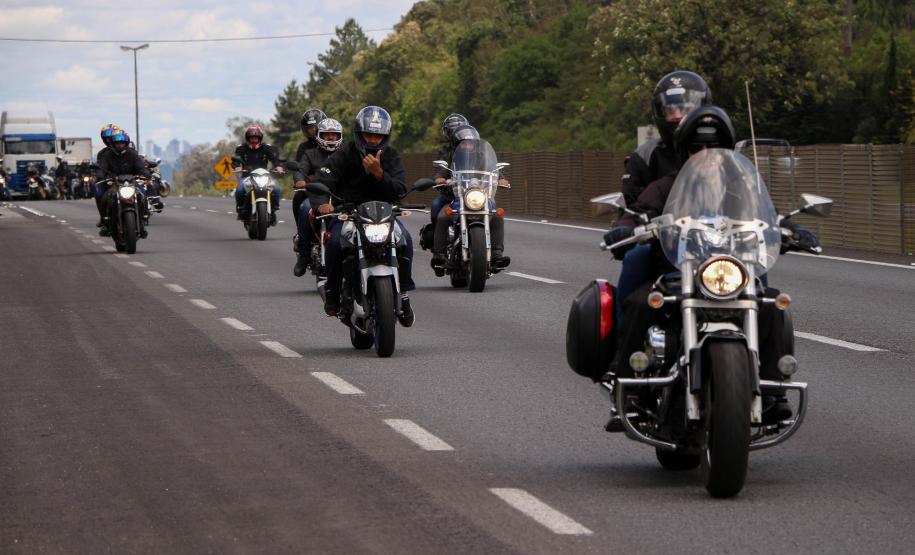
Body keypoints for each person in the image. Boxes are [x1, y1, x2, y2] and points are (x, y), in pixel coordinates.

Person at [605, 106, 817, 425]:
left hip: (730, 274)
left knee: (772, 304)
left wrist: (789, 230)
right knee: (641, 302)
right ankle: (631, 393)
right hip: (679, 274)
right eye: (696, 147)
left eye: (713, 147)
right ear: (684, 151)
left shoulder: (742, 187)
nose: (705, 154)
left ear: (726, 151)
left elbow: (767, 217)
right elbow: (639, 211)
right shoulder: (665, 187)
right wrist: (626, 225)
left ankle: (773, 394)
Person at [311, 105, 415, 326]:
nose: (373, 140)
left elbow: (398, 189)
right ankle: (331, 292)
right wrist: (322, 204)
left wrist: (379, 174)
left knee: (405, 240)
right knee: (334, 244)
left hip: (384, 214)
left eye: (378, 136)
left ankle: (404, 294)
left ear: (385, 136)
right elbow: (321, 181)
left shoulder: (391, 156)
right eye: (369, 134)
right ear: (359, 134)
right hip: (350, 213)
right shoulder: (344, 155)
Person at [429, 124, 510, 274]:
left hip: (479, 195)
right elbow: (440, 170)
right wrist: (440, 178)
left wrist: (502, 179)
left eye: (471, 142)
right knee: (442, 215)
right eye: (464, 142)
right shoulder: (449, 155)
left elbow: (493, 169)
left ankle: (497, 254)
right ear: (457, 144)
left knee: (497, 214)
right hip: (457, 195)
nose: (468, 145)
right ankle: (439, 255)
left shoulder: (481, 155)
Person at [293, 117, 343, 277]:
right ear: (319, 135)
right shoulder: (310, 154)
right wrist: (300, 180)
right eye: (327, 134)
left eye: (334, 135)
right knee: (304, 207)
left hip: (338, 195)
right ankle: (304, 254)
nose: (330, 137)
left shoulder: (345, 154)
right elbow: (300, 169)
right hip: (315, 194)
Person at [96, 131, 151, 236]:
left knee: (143, 194)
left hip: (131, 182)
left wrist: (146, 174)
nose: (120, 145)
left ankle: (143, 220)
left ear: (126, 143)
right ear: (113, 143)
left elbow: (141, 167)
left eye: (122, 143)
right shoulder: (107, 155)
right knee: (103, 197)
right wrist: (101, 176)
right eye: (117, 143)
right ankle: (105, 222)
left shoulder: (132, 154)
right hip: (114, 183)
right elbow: (101, 168)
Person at [233, 125, 284, 222]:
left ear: (260, 138)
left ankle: (274, 209)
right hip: (247, 176)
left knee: (276, 189)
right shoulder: (241, 148)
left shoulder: (266, 148)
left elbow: (274, 159)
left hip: (264, 176)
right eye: (251, 138)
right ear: (248, 138)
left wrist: (278, 166)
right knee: (239, 190)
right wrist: (237, 166)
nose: (254, 140)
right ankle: (240, 209)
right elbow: (235, 160)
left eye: (256, 138)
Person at [94, 124, 121, 226]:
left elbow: (137, 162)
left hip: (128, 179)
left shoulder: (128, 149)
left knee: (141, 190)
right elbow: (100, 167)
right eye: (108, 138)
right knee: (99, 194)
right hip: (110, 180)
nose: (110, 140)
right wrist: (101, 175)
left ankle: (144, 213)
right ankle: (103, 217)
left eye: (112, 137)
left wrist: (143, 171)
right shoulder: (102, 153)